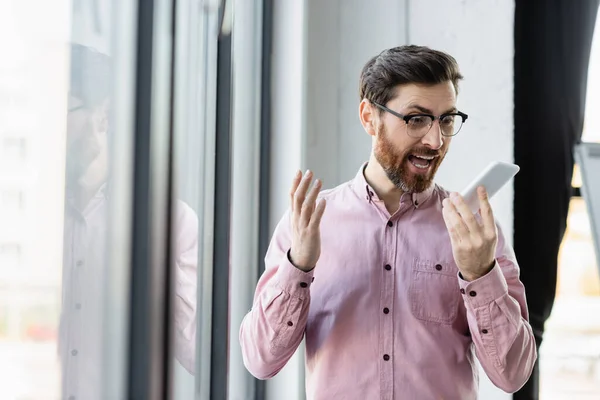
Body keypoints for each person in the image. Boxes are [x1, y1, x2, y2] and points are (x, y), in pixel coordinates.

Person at [239, 45, 537, 399]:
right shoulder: (309, 224)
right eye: (416, 119)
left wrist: (480, 274)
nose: (435, 140)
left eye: (445, 119)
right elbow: (260, 359)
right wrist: (298, 266)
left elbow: (513, 375)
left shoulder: (474, 232)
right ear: (369, 117)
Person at [59, 43, 198, 400]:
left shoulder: (165, 222)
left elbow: (200, 351)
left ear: (102, 116)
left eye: (65, 107)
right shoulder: (37, 218)